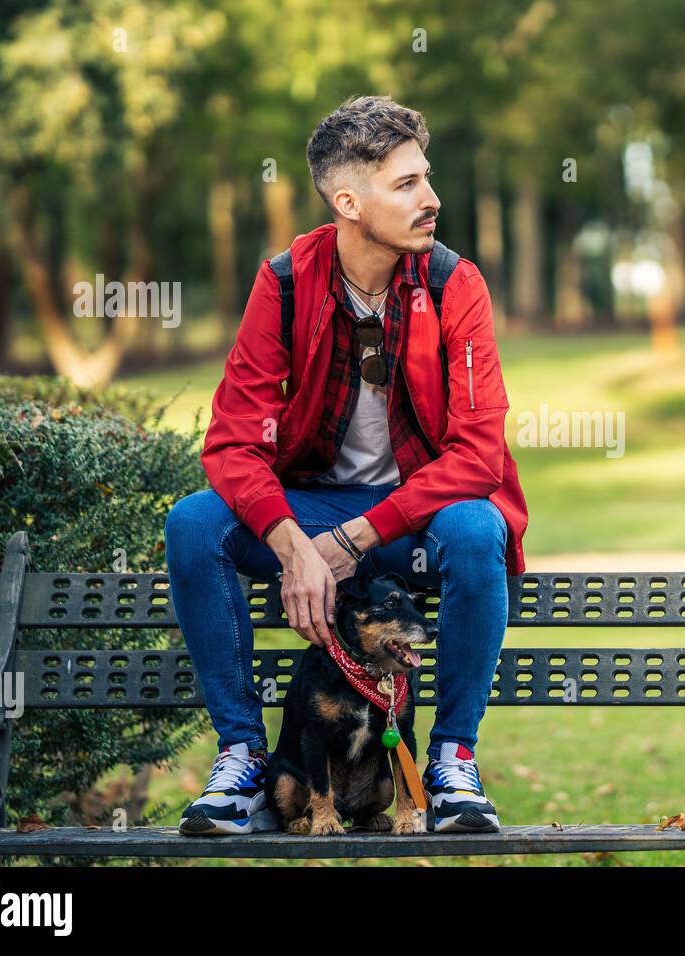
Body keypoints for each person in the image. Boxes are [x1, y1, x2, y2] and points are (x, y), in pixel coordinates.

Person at [163, 94, 529, 836]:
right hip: (312, 514)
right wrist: (290, 542)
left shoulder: (454, 284)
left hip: (410, 519)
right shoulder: (287, 282)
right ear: (348, 201)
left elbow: (479, 452)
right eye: (407, 185)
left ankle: (453, 762)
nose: (432, 200)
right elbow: (233, 442)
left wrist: (356, 538)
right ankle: (242, 763)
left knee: (475, 528)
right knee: (195, 524)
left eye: (426, 178)